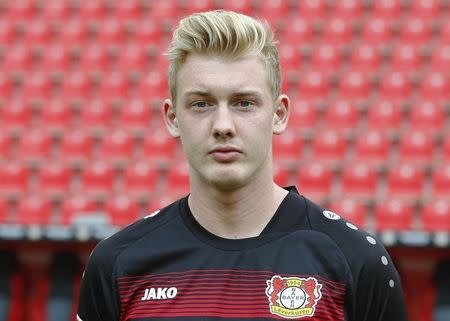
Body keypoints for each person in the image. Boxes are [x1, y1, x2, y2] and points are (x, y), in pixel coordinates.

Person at [77, 10, 408, 321]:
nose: (223, 125)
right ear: (173, 118)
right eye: (201, 104)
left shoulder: (354, 259)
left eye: (244, 103)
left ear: (278, 114)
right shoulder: (118, 263)